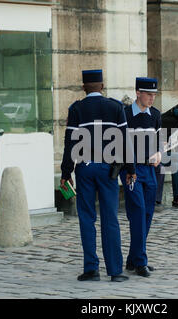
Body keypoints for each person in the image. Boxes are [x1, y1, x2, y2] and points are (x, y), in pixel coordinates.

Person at [60, 69, 136, 283]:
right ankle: (115, 271)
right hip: (108, 169)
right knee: (110, 218)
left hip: (84, 168)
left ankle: (91, 269)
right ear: (102, 86)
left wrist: (66, 172)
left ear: (84, 88)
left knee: (86, 218)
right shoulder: (115, 107)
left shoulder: (77, 109)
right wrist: (130, 169)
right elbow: (124, 141)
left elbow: (70, 144)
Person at [120, 77, 162, 278]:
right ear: (138, 93)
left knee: (147, 215)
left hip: (150, 170)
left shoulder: (155, 115)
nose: (152, 98)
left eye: (154, 95)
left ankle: (132, 258)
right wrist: (129, 169)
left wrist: (160, 154)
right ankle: (140, 262)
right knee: (137, 212)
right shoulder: (126, 115)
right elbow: (119, 145)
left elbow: (160, 142)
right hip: (131, 170)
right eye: (148, 94)